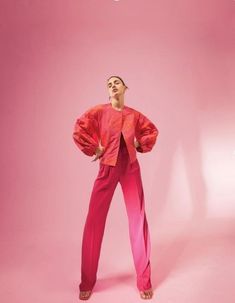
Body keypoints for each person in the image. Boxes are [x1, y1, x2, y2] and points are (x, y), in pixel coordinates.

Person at [72, 76, 159, 300]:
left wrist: (140, 144)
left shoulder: (134, 115)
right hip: (107, 168)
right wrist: (95, 148)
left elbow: (151, 131)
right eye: (109, 84)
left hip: (130, 168)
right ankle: (87, 280)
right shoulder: (99, 112)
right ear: (107, 91)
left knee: (138, 221)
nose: (112, 86)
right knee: (94, 222)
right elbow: (79, 128)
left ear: (125, 88)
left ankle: (144, 280)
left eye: (117, 82)